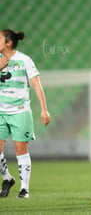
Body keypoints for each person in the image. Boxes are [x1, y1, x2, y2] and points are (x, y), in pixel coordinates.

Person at [0, 29, 51, 198]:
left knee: (20, 150)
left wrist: (44, 109)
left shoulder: (24, 60)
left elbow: (37, 84)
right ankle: (7, 177)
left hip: (20, 111)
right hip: (0, 111)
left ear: (8, 43)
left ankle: (24, 189)